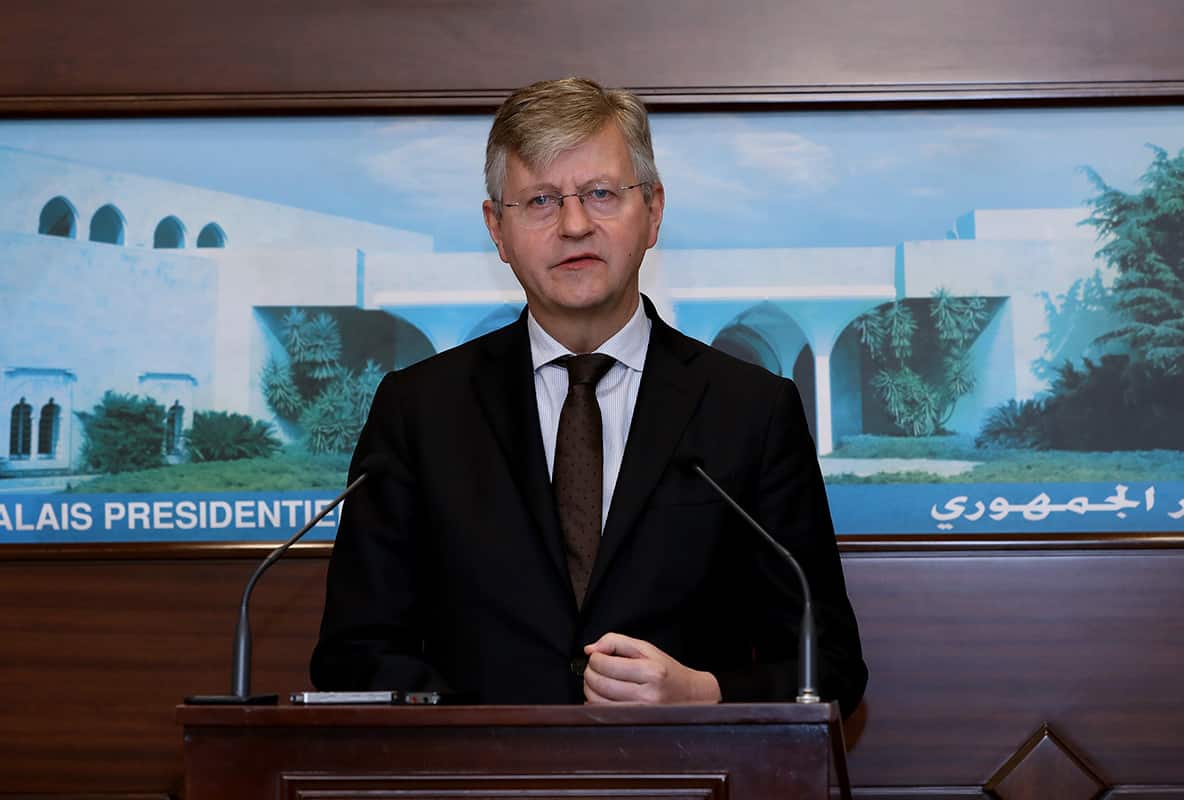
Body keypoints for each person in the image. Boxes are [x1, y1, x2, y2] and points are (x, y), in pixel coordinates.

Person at [311, 77, 867, 712]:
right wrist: (482, 726)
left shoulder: (751, 411)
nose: (574, 225)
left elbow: (832, 667)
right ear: (497, 228)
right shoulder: (419, 410)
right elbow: (352, 655)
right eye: (541, 201)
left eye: (601, 193)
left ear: (653, 211)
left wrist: (703, 693)